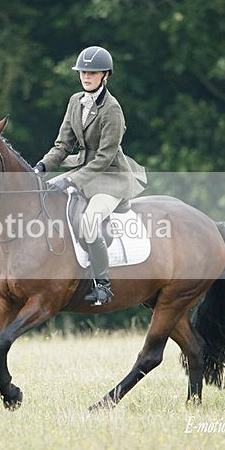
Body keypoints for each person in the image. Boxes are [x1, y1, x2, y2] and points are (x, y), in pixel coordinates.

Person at [33, 46, 147, 305]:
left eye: (92, 73)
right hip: (83, 169)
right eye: (83, 72)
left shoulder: (112, 109)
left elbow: (105, 157)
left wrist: (71, 180)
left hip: (111, 177)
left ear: (105, 75)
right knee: (41, 197)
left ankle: (103, 284)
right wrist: (40, 167)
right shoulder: (75, 101)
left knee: (89, 221)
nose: (86, 77)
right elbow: (62, 145)